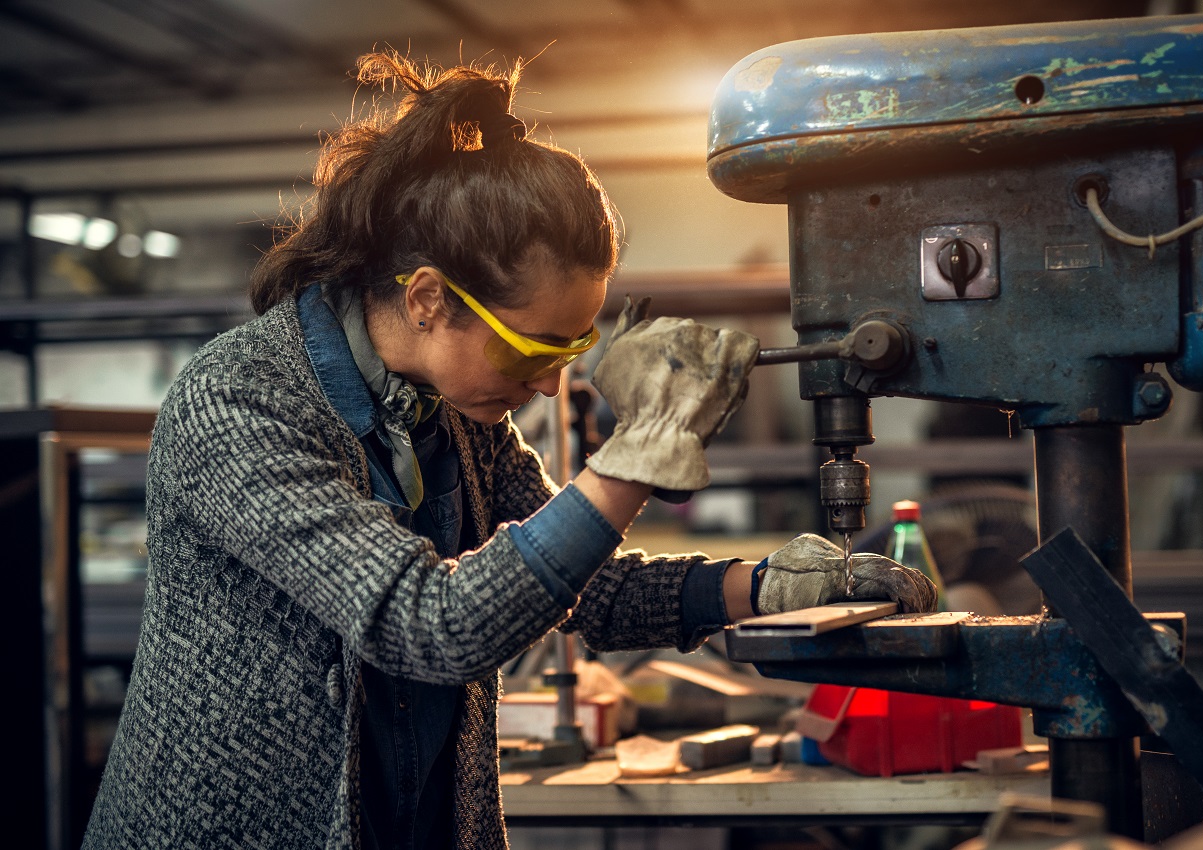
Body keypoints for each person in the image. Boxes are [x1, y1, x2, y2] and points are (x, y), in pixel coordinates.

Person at [82, 51, 935, 850]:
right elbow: (430, 624)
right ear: (426, 299)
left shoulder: (453, 414)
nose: (547, 387)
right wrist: (636, 461)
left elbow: (583, 583)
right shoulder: (238, 400)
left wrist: (757, 589)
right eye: (532, 352)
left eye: (567, 356)